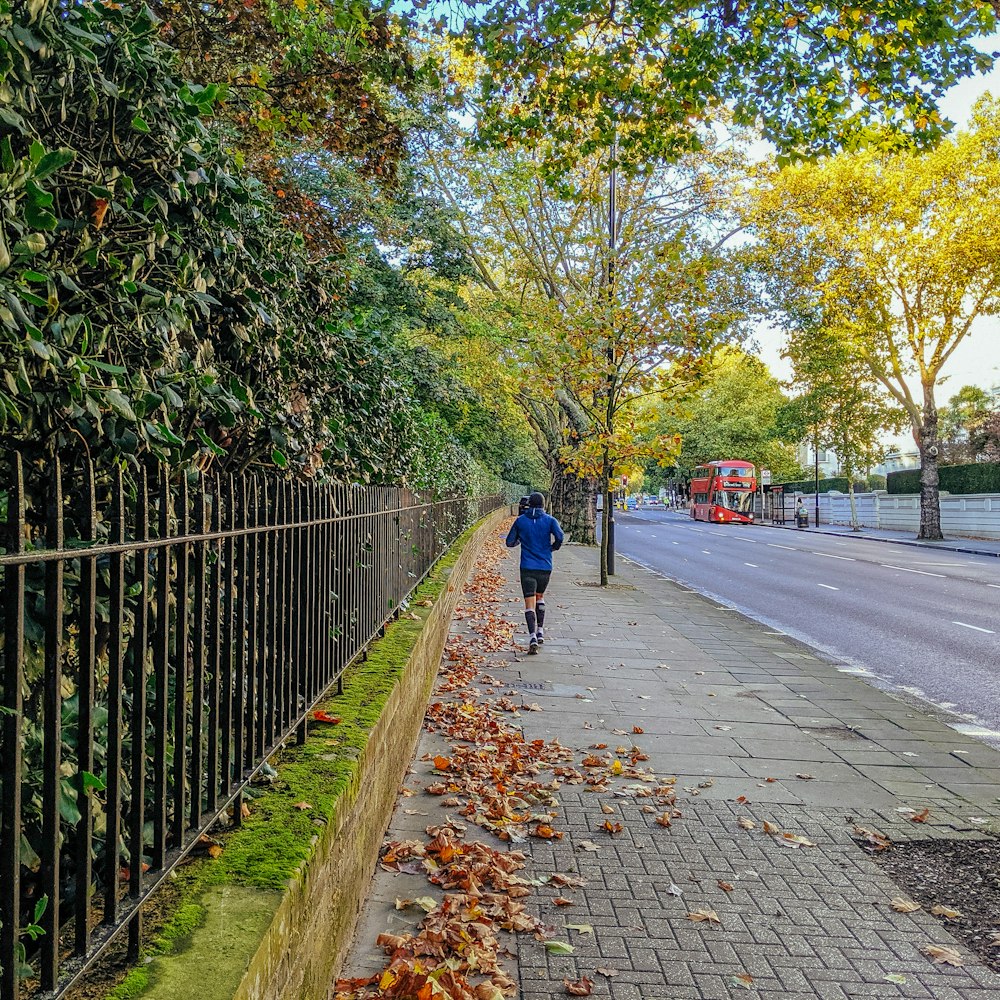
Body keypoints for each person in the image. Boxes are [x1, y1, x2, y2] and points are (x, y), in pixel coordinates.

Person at [505, 491, 564, 655]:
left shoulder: (521, 521)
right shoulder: (550, 520)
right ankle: (540, 631)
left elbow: (509, 542)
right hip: (545, 566)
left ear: (529, 504)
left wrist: (520, 540)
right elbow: (560, 537)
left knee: (529, 602)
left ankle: (531, 637)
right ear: (543, 504)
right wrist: (553, 548)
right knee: (540, 597)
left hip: (527, 567)